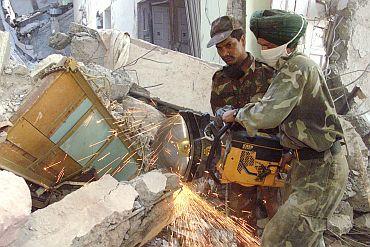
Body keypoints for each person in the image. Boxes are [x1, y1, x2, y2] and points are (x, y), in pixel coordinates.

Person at [221, 10, 349, 246]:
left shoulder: (297, 67)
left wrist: (238, 115)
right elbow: (289, 117)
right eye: (260, 45)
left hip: (322, 169)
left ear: (286, 43)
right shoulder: (287, 67)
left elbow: (268, 113)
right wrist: (290, 150)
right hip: (306, 164)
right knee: (306, 237)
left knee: (277, 238)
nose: (263, 50)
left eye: (268, 45)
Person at [207, 15, 279, 233]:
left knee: (278, 220)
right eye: (220, 49)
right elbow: (218, 116)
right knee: (240, 223)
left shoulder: (268, 74)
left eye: (229, 46)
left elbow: (279, 116)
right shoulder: (219, 79)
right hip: (238, 160)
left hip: (269, 159)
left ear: (242, 40)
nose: (224, 53)